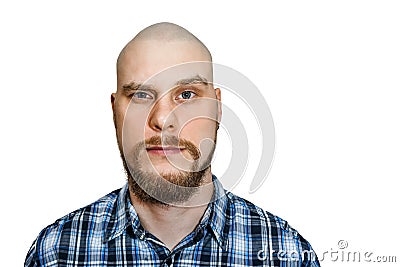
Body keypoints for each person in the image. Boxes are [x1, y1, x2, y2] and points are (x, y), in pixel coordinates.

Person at [25, 22, 320, 266]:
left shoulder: (287, 254)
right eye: (141, 94)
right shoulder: (55, 254)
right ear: (115, 110)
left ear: (217, 108)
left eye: (187, 95)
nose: (163, 118)